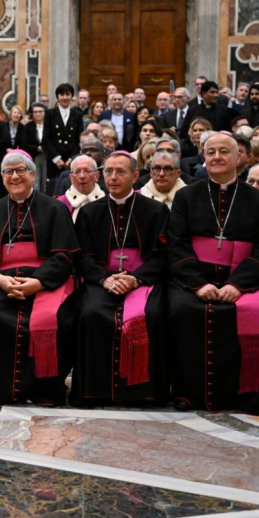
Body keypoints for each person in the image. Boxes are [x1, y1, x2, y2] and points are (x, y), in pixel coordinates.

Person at [168, 132, 259, 416]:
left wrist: (238, 285)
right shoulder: (185, 195)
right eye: (210, 152)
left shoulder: (257, 199)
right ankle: (188, 393)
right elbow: (176, 244)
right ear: (203, 158)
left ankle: (247, 393)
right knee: (182, 310)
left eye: (224, 151)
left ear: (239, 157)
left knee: (257, 313)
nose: (216, 157)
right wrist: (198, 284)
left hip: (244, 281)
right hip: (195, 281)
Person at [0, 150, 79, 407]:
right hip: (2, 281)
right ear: (2, 177)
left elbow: (64, 255)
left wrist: (38, 283)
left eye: (20, 171)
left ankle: (44, 391)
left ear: (32, 174)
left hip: (44, 281)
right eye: (8, 172)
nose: (14, 176)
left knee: (58, 318)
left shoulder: (55, 208)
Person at [68, 151, 170, 407]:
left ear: (135, 176)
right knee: (90, 313)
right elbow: (82, 257)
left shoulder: (156, 211)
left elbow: (163, 257)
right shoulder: (90, 212)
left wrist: (135, 279)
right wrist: (104, 280)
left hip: (142, 280)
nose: (112, 177)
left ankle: (144, 392)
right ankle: (94, 392)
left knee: (153, 314)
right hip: (102, 280)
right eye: (108, 172)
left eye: (120, 172)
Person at [56, 154, 105, 221]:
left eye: (87, 171)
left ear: (96, 176)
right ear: (71, 178)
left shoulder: (107, 202)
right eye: (77, 172)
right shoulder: (59, 204)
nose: (82, 176)